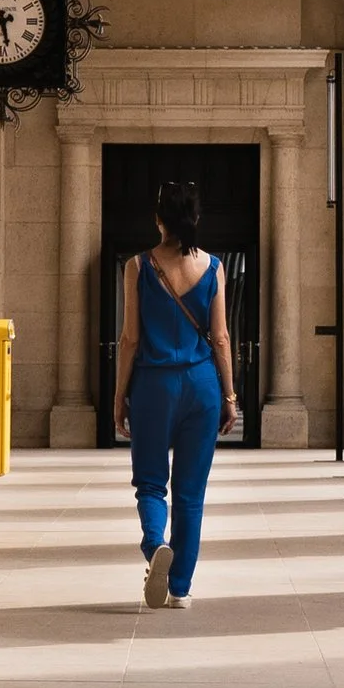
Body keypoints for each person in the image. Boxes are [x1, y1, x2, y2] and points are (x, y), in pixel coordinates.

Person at [112, 175, 239, 608]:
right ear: (196, 218)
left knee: (150, 483)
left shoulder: (138, 266)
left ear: (158, 220)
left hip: (154, 384)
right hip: (201, 385)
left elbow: (129, 338)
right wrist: (229, 396)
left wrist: (119, 397)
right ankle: (180, 588)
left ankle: (154, 547)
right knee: (190, 494)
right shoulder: (215, 268)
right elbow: (220, 338)